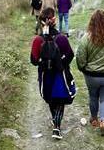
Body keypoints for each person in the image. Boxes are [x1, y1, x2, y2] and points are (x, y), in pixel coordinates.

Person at [30, 8, 76, 140]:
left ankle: (55, 121)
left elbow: (33, 60)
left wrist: (43, 64)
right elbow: (70, 55)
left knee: (50, 99)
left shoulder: (37, 40)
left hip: (45, 76)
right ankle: (57, 126)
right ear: (53, 21)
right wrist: (61, 65)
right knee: (60, 99)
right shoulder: (61, 38)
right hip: (60, 74)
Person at [76, 10, 104, 136]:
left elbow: (80, 57)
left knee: (93, 96)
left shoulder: (86, 38)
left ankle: (94, 119)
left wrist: (82, 68)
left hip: (92, 75)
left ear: (92, 23)